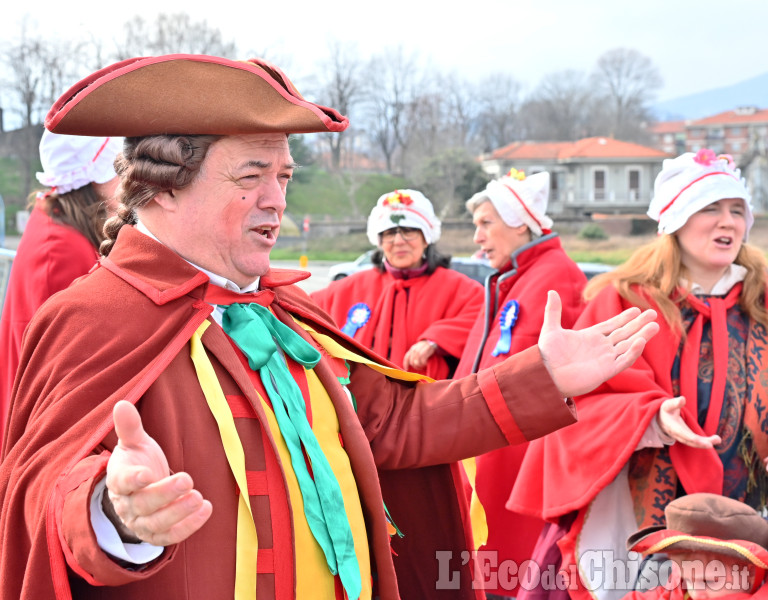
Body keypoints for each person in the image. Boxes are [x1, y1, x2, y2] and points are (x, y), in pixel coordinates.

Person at [0, 54, 658, 600]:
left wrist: (543, 376)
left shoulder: (286, 312)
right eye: (251, 175)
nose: (277, 200)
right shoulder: (93, 315)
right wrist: (114, 514)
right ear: (165, 188)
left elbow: (394, 424)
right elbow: (38, 497)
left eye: (283, 176)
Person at [508, 149, 768, 600]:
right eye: (710, 208)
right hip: (644, 517)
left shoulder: (763, 303)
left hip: (746, 512)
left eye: (736, 210)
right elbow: (577, 402)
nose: (728, 221)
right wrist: (650, 417)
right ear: (676, 220)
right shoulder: (623, 302)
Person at [455, 168, 588, 599]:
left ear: (519, 222)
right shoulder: (512, 279)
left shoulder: (557, 279)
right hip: (490, 471)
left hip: (521, 481)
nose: (477, 237)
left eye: (485, 223)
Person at [0, 131, 122, 446]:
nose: (124, 181)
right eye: (116, 170)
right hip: (46, 436)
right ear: (91, 180)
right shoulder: (61, 249)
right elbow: (70, 371)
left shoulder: (57, 223)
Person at [311, 189, 483, 379]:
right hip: (361, 401)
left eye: (409, 231)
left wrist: (436, 341)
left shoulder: (459, 288)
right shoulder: (352, 286)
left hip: (425, 399)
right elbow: (304, 308)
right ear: (380, 241)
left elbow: (483, 316)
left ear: (427, 239)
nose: (399, 241)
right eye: (389, 233)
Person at [623, 492, 768, 600]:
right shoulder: (679, 587)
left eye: (708, 581)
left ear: (750, 574)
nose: (696, 594)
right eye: (687, 580)